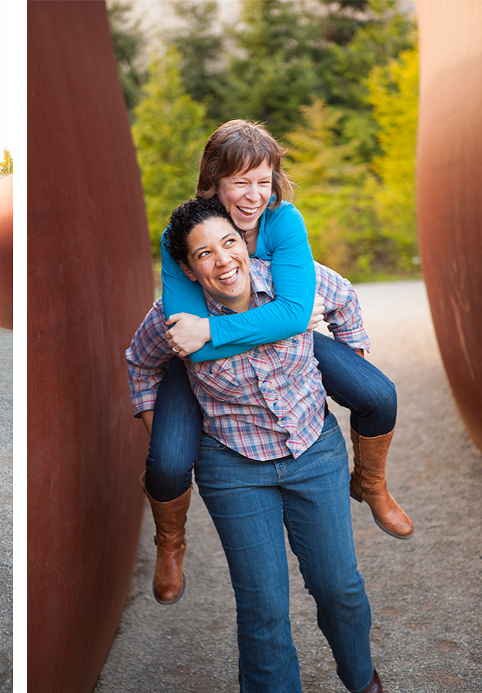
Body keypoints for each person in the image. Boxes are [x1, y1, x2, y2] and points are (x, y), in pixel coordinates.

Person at [138, 120, 410, 607]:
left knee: (377, 394)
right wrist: (278, 321)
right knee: (168, 461)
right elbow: (191, 343)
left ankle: (369, 483)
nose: (253, 195)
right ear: (214, 183)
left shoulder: (284, 221)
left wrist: (349, 361)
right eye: (240, 183)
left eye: (263, 181)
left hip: (272, 341)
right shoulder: (183, 235)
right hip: (199, 364)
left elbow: (298, 312)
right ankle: (171, 543)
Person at [127, 196, 384, 693]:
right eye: (204, 254)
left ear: (244, 243)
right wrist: (154, 426)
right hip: (233, 467)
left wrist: (354, 362)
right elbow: (140, 362)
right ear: (187, 268)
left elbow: (345, 298)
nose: (223, 260)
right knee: (263, 606)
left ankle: (362, 679)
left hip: (313, 449)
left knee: (340, 588)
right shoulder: (173, 319)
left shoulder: (290, 284)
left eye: (229, 243)